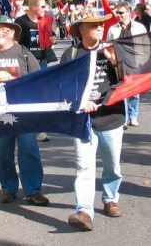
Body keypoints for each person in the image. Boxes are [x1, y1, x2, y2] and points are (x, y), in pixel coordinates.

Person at [0, 16, 49, 206]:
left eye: (4, 29)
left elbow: (38, 79)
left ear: (13, 33)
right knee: (2, 152)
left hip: (23, 112)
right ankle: (8, 188)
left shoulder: (23, 52)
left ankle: (33, 190)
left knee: (29, 150)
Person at [61, 14, 126, 232]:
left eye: (101, 25)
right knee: (84, 167)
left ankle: (110, 199)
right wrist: (81, 101)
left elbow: (127, 82)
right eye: (94, 25)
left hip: (111, 118)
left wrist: (115, 61)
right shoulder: (70, 54)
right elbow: (63, 86)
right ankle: (84, 211)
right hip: (83, 121)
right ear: (82, 30)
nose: (100, 28)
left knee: (112, 165)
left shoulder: (112, 50)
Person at [15, 0, 58, 142]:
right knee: (27, 96)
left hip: (42, 61)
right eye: (43, 6)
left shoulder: (45, 20)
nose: (45, 9)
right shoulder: (21, 22)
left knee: (42, 96)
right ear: (34, 7)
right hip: (26, 64)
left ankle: (40, 129)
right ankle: (26, 126)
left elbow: (53, 36)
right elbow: (16, 44)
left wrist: (54, 39)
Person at [107, 1, 147, 126]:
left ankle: (133, 115)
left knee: (134, 92)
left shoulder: (139, 28)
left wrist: (144, 62)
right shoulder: (113, 29)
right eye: (117, 13)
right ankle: (124, 118)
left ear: (129, 13)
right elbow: (109, 46)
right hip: (119, 64)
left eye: (121, 13)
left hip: (135, 63)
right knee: (122, 91)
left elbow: (145, 45)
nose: (118, 15)